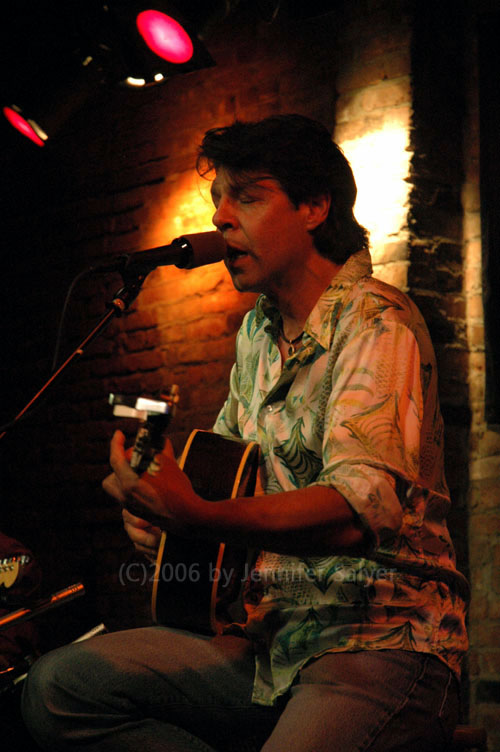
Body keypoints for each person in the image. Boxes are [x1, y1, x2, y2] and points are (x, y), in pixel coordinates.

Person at [21, 114, 468, 751]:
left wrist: (197, 514)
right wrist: (164, 520)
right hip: (269, 645)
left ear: (315, 207)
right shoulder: (256, 335)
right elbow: (226, 495)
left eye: (247, 197)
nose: (221, 218)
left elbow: (356, 510)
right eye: (216, 201)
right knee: (58, 686)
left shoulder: (375, 319)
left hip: (381, 641)